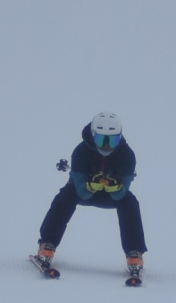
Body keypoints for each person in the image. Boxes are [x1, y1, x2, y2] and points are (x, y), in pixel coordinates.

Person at [33, 112, 147, 284]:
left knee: (130, 203)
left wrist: (115, 188)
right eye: (101, 140)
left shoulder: (127, 155)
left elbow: (122, 193)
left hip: (111, 194)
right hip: (83, 191)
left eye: (112, 141)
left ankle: (134, 253)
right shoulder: (81, 151)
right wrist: (90, 186)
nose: (107, 146)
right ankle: (47, 244)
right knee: (65, 197)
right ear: (93, 136)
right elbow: (80, 191)